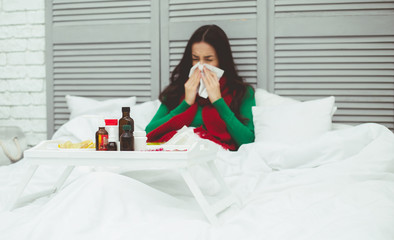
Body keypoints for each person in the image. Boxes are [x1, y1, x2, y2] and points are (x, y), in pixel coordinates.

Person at [145, 25, 255, 150]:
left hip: (215, 157)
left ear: (221, 61)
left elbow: (248, 143)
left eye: (208, 59)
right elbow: (148, 132)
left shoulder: (241, 92)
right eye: (195, 59)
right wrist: (185, 103)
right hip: (177, 155)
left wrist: (219, 102)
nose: (201, 65)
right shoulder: (177, 90)